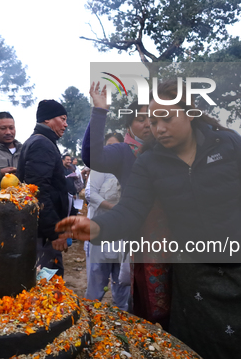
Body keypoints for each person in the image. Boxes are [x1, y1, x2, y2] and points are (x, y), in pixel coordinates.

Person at [59, 80, 241, 359]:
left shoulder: (229, 144)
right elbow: (131, 211)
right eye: (153, 121)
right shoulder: (149, 161)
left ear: (190, 113)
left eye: (167, 119)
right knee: (201, 348)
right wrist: (98, 226)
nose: (158, 129)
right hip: (195, 274)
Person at [82, 82, 171, 327]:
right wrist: (99, 111)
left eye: (151, 118)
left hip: (175, 235)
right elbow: (92, 156)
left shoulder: (169, 149)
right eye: (140, 119)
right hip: (140, 234)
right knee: (144, 293)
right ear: (129, 124)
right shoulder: (123, 152)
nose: (146, 124)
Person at [17, 100, 69, 276]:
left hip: (42, 230)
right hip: (42, 233)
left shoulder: (44, 141)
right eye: (62, 119)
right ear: (47, 119)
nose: (65, 124)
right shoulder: (42, 144)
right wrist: (55, 231)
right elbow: (37, 192)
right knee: (46, 280)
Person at [85, 132, 130, 310]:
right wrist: (115, 209)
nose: (111, 150)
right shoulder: (99, 168)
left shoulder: (128, 167)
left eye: (115, 146)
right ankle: (90, 314)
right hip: (102, 231)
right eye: (108, 146)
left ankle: (124, 316)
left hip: (122, 233)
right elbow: (90, 193)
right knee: (97, 276)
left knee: (122, 278)